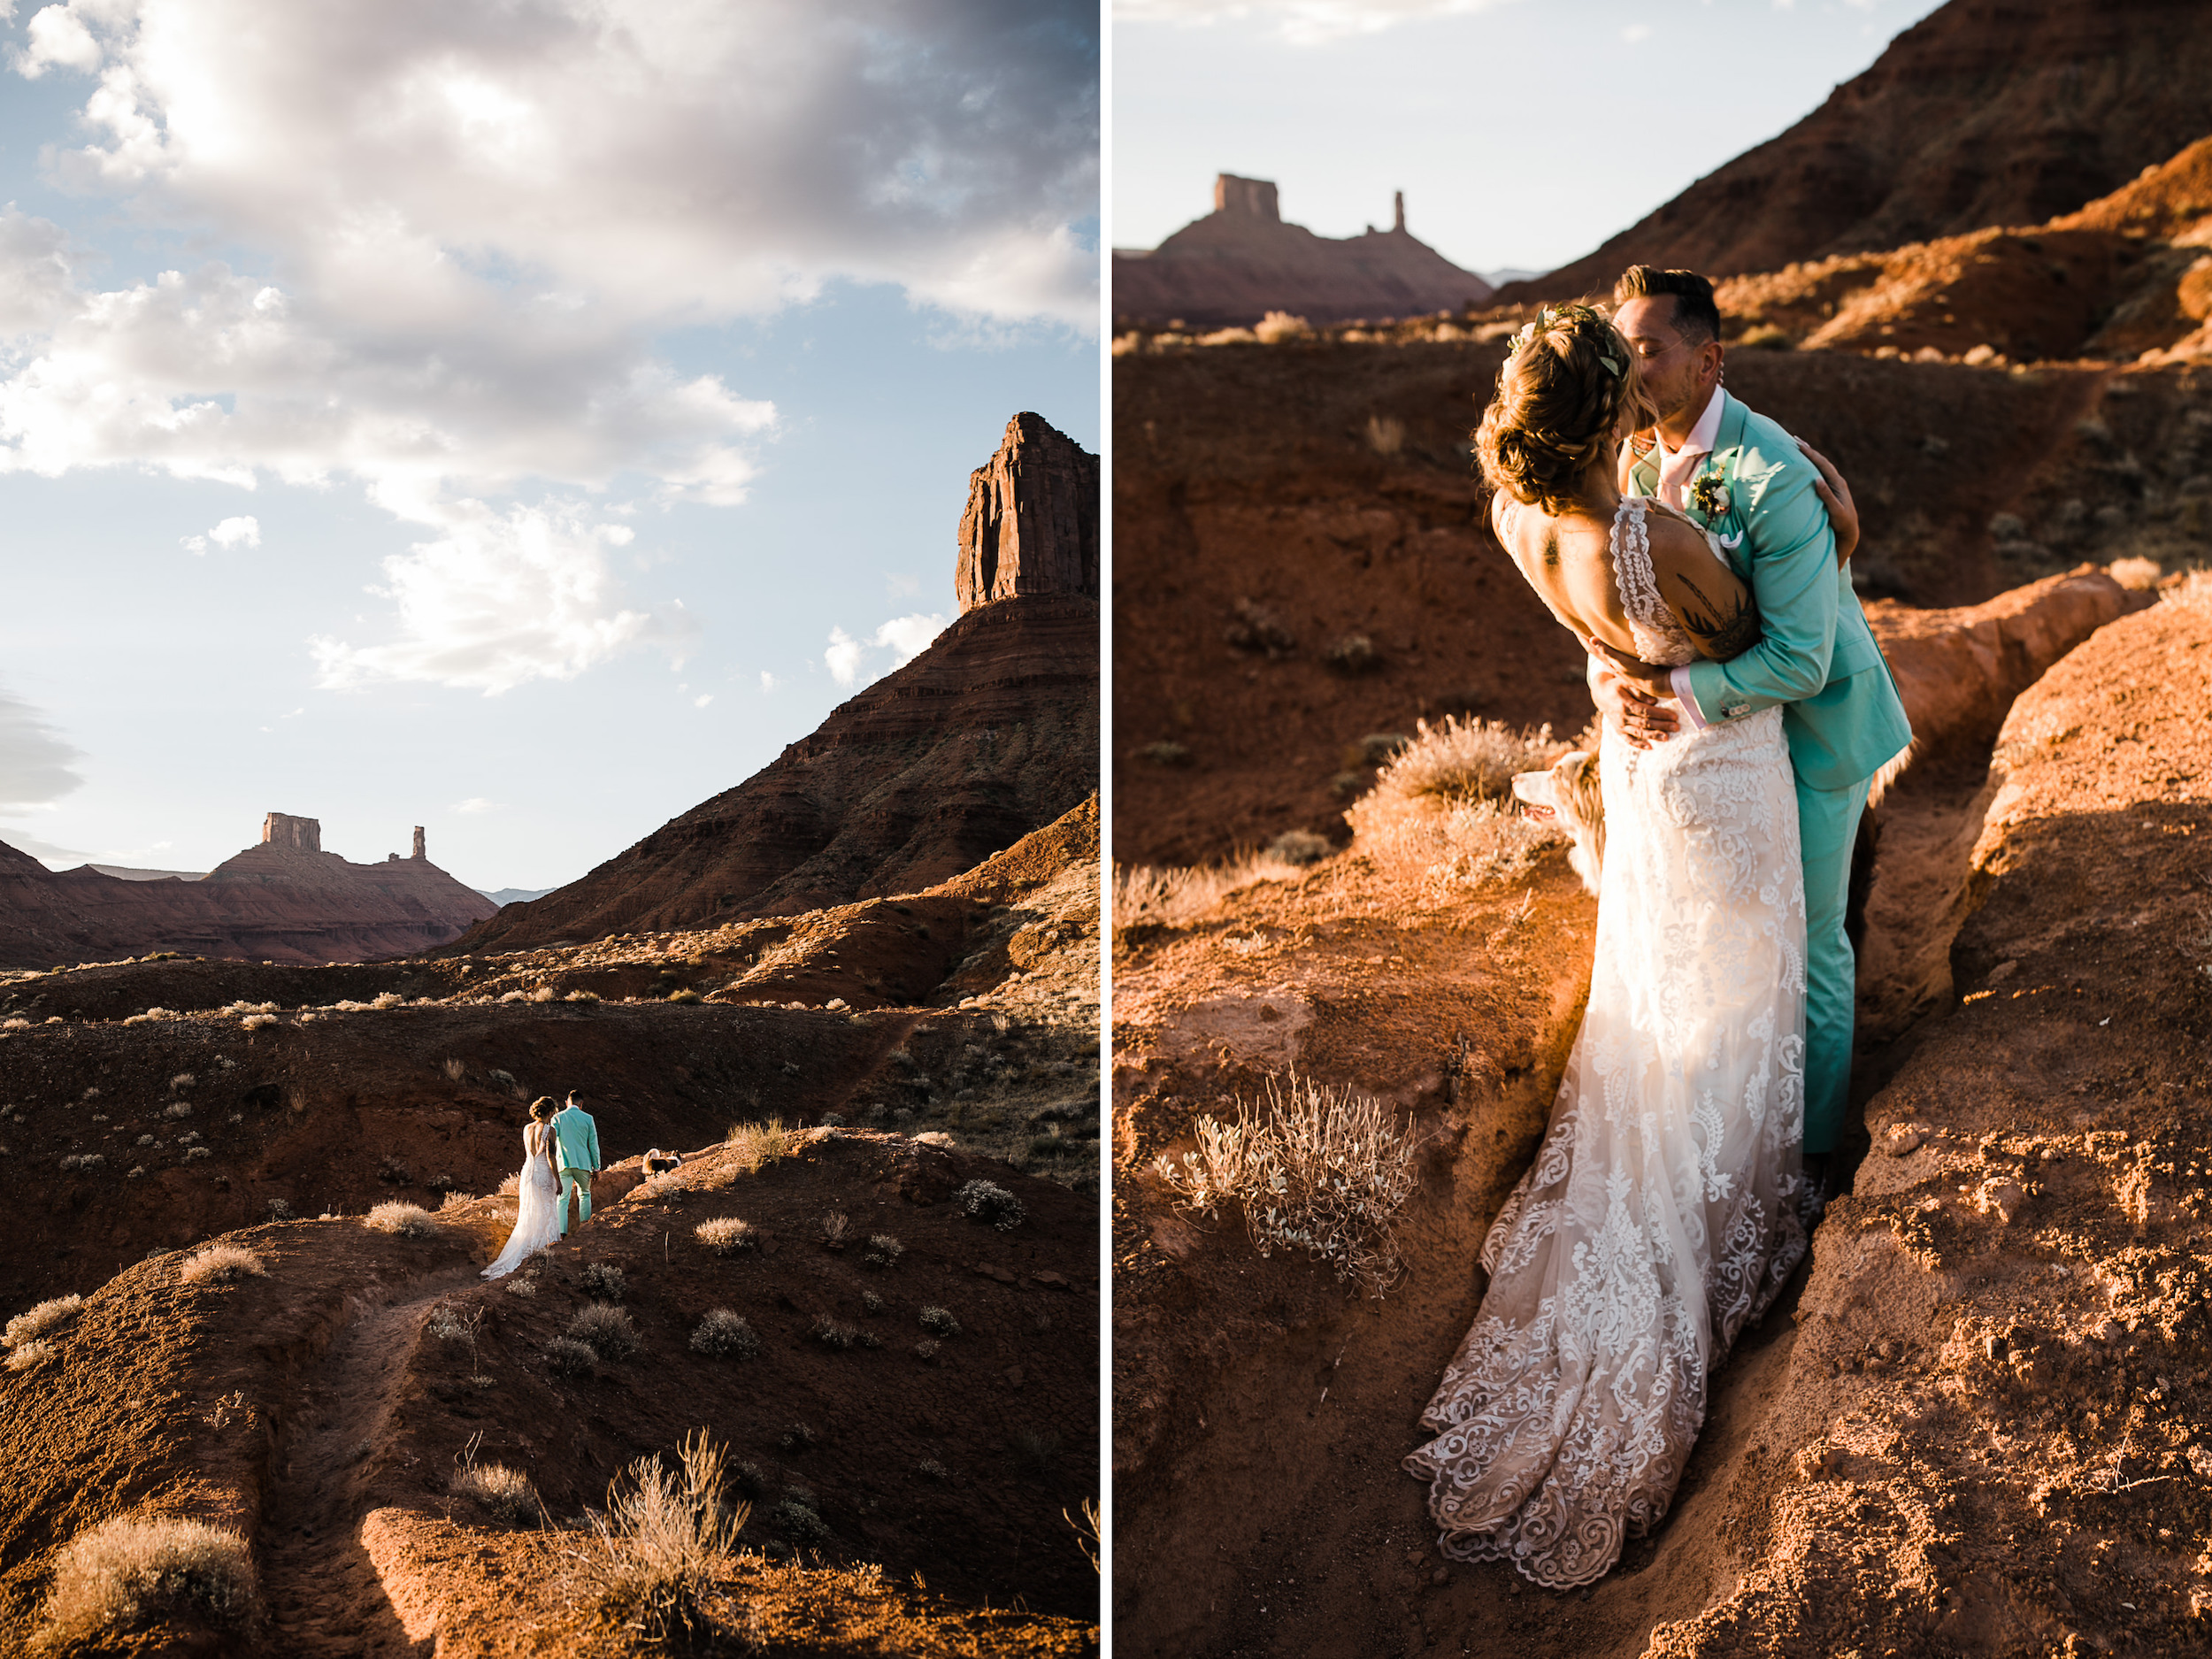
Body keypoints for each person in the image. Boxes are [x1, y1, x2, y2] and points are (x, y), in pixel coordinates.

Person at [1402, 300, 1840, 1588]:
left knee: (1661, 992)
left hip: (1648, 795)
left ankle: (1670, 1205)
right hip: (1718, 787)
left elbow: (1615, 648)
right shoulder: (1647, 536)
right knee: (1736, 999)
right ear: (1609, 414)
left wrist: (1609, 677)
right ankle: (1724, 1227)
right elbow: (1773, 640)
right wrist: (1836, 517)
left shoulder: (1515, 517)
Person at [1589, 265, 1911, 1204]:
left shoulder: (1771, 471)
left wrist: (1675, 693)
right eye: (1622, 350)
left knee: (1811, 941)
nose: (1632, 367)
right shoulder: (1635, 462)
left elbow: (1801, 664)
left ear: (1707, 357)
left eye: (1649, 348)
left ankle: (1811, 1161)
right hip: (1725, 744)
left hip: (1810, 733)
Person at [480, 1097, 563, 1279]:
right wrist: (558, 1180)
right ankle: (541, 1249)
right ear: (550, 1112)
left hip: (527, 1173)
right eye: (554, 1112)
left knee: (529, 1212)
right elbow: (551, 1158)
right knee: (546, 1210)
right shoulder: (550, 1130)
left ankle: (525, 1248)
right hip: (543, 1174)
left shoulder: (527, 1128)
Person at [551, 1091, 602, 1236]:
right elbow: (593, 1144)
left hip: (563, 1164)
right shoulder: (588, 1118)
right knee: (585, 1195)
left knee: (562, 1199)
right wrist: (596, 1168)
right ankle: (584, 1229)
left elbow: (553, 1141)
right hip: (583, 1164)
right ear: (581, 1104)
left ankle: (562, 1232)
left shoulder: (557, 1117)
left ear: (567, 1102)